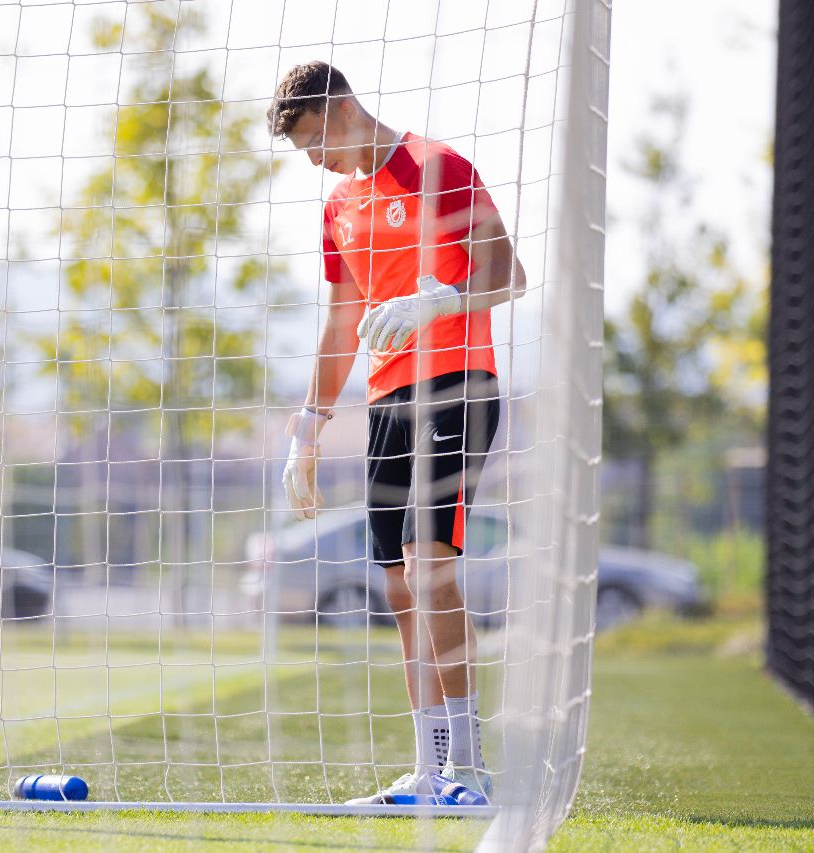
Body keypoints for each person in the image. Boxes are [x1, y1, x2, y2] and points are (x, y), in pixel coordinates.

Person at [266, 61, 525, 805]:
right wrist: (307, 432)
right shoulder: (338, 207)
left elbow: (510, 274)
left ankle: (470, 770)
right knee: (399, 586)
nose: (316, 162)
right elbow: (341, 327)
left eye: (317, 143)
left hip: (457, 386)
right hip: (386, 404)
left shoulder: (439, 167)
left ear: (343, 110)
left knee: (428, 568)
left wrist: (438, 302)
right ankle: (429, 771)